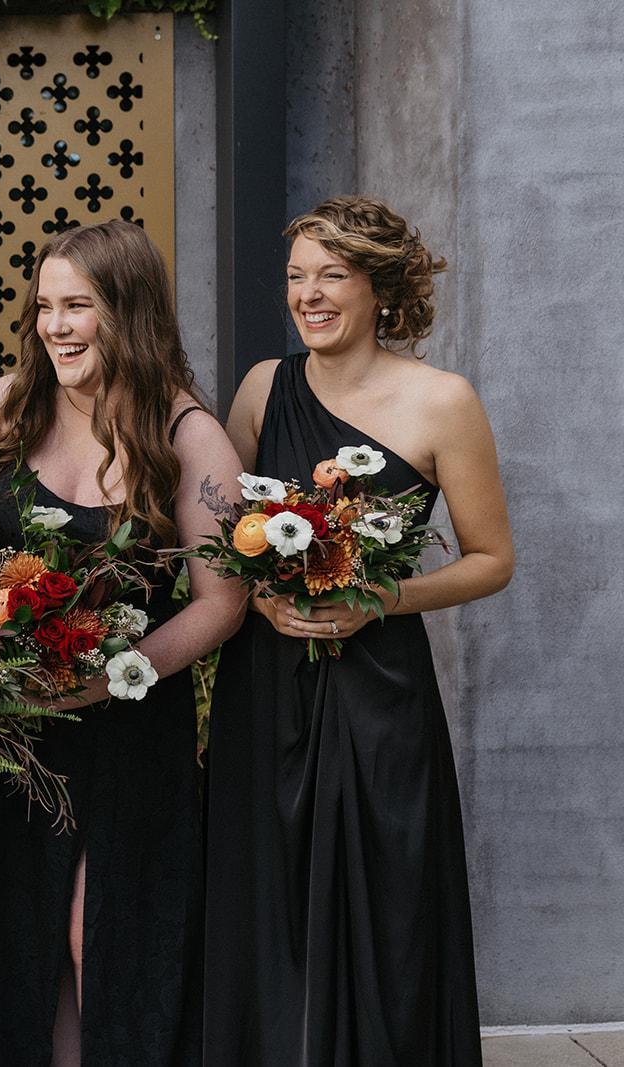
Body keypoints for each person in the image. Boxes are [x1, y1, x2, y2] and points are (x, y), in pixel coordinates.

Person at [205, 195, 513, 1066]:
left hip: (381, 695)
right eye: (297, 276)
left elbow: (493, 558)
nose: (308, 295)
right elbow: (226, 537)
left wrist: (385, 599)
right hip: (265, 690)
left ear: (379, 286)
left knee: (389, 902)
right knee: (269, 897)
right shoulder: (262, 388)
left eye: (332, 275)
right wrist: (258, 597)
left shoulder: (443, 401)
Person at [0, 220, 245, 1065]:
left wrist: (117, 674)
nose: (55, 326)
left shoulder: (187, 433)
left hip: (132, 735)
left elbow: (223, 601)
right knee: (22, 947)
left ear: (130, 309)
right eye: (45, 306)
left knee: (103, 941)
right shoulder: (2, 411)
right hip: (15, 734)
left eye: (78, 305)